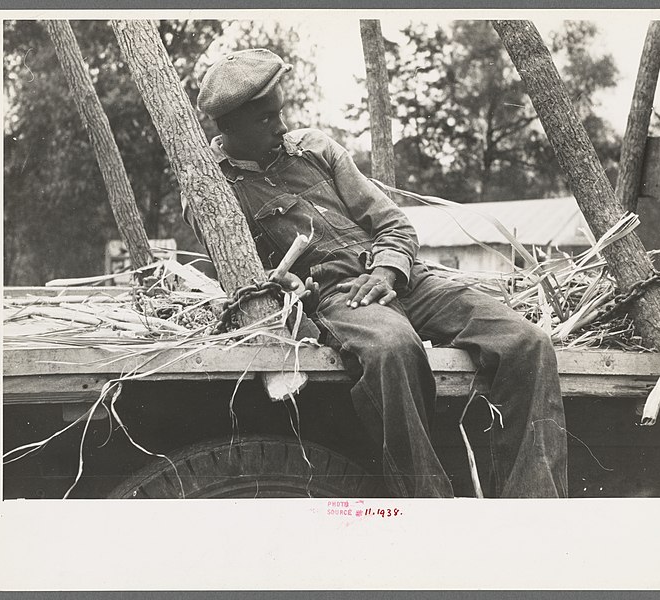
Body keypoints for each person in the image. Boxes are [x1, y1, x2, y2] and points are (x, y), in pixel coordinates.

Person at [189, 48, 568, 498]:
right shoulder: (212, 191)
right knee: (393, 349)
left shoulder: (316, 149)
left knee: (527, 342)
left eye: (281, 113)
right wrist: (286, 290)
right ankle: (427, 505)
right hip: (338, 296)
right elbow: (241, 278)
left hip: (401, 277)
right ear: (229, 127)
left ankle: (535, 510)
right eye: (267, 120)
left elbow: (394, 223)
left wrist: (388, 271)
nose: (282, 126)